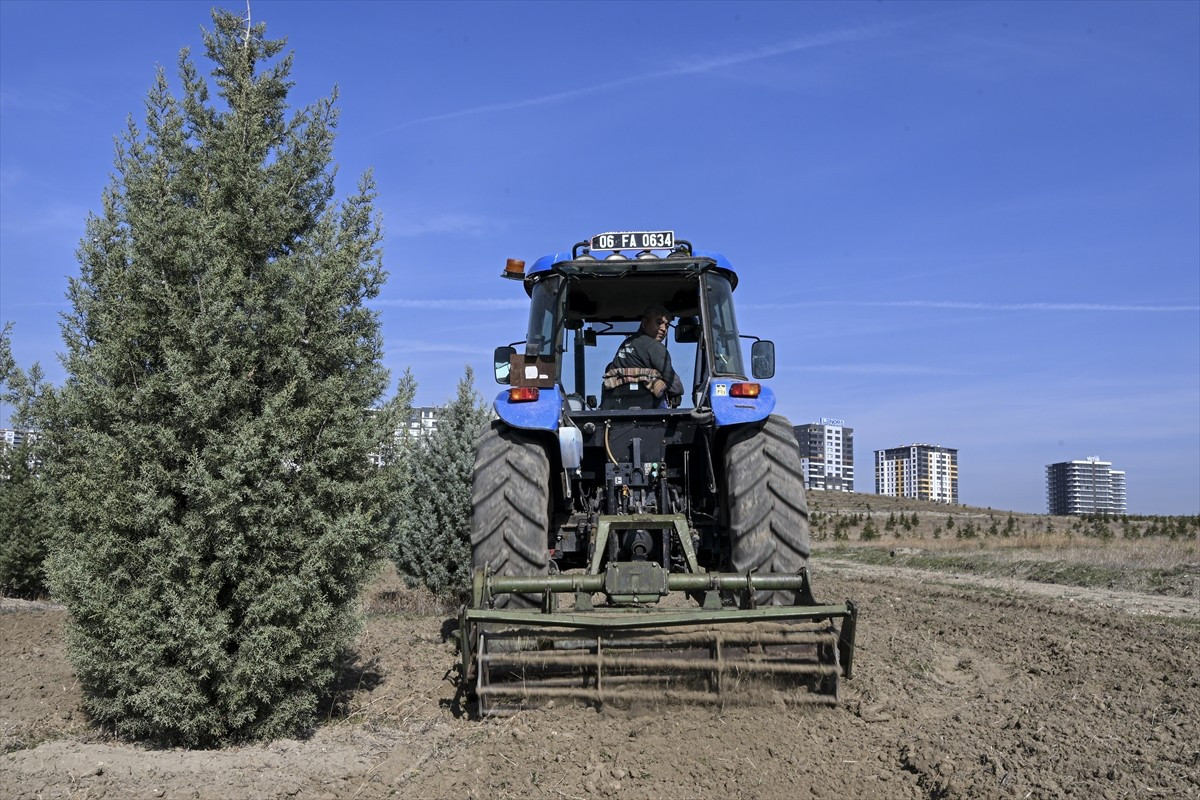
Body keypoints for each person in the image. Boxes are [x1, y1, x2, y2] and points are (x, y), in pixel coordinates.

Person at [601, 305, 685, 409]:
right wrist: (678, 391)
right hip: (649, 411)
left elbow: (611, 370)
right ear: (644, 323)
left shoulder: (626, 343)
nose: (663, 329)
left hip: (616, 408)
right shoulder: (655, 347)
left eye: (667, 326)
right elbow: (673, 383)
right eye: (659, 323)